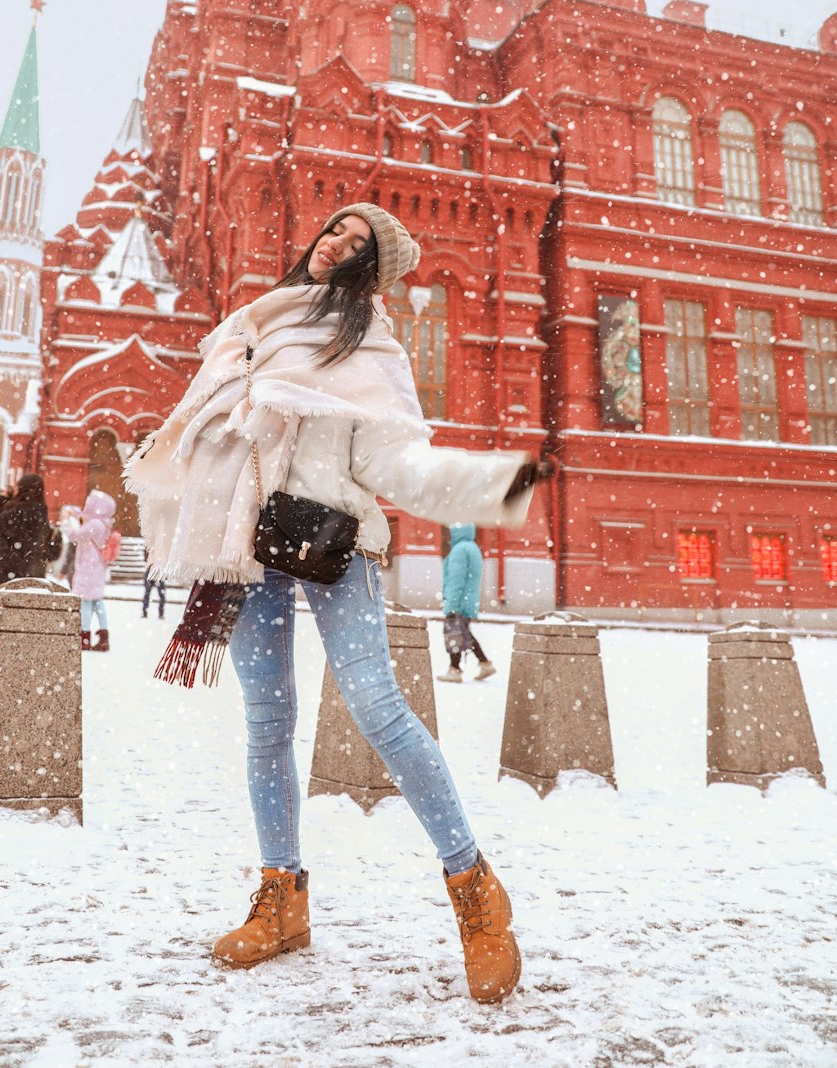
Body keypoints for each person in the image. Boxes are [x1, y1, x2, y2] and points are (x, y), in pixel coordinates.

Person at [127, 203, 548, 1005]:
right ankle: (281, 898)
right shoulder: (255, 324)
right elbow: (205, 431)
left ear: (369, 272)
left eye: (356, 247)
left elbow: (400, 461)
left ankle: (474, 892)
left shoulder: (369, 348)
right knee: (266, 725)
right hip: (246, 549)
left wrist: (495, 484)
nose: (336, 246)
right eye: (333, 232)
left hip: (330, 544)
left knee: (379, 706)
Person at [0, 474, 51, 613]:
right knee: (22, 615)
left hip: (6, 570)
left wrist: (1, 499)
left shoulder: (16, 512)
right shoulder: (41, 513)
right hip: (29, 572)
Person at [438, 525, 495, 683]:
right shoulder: (473, 548)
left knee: (454, 634)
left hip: (458, 601)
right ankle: (484, 663)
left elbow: (456, 580)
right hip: (468, 601)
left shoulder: (459, 550)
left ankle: (455, 670)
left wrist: (452, 603)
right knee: (463, 634)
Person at [64, 491, 119, 651]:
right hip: (97, 567)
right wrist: (74, 513)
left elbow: (75, 535)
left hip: (89, 567)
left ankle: (84, 638)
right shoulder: (103, 521)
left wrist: (67, 521)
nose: (87, 504)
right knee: (97, 601)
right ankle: (104, 637)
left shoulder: (95, 524)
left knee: (86, 602)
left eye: (90, 502)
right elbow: (84, 516)